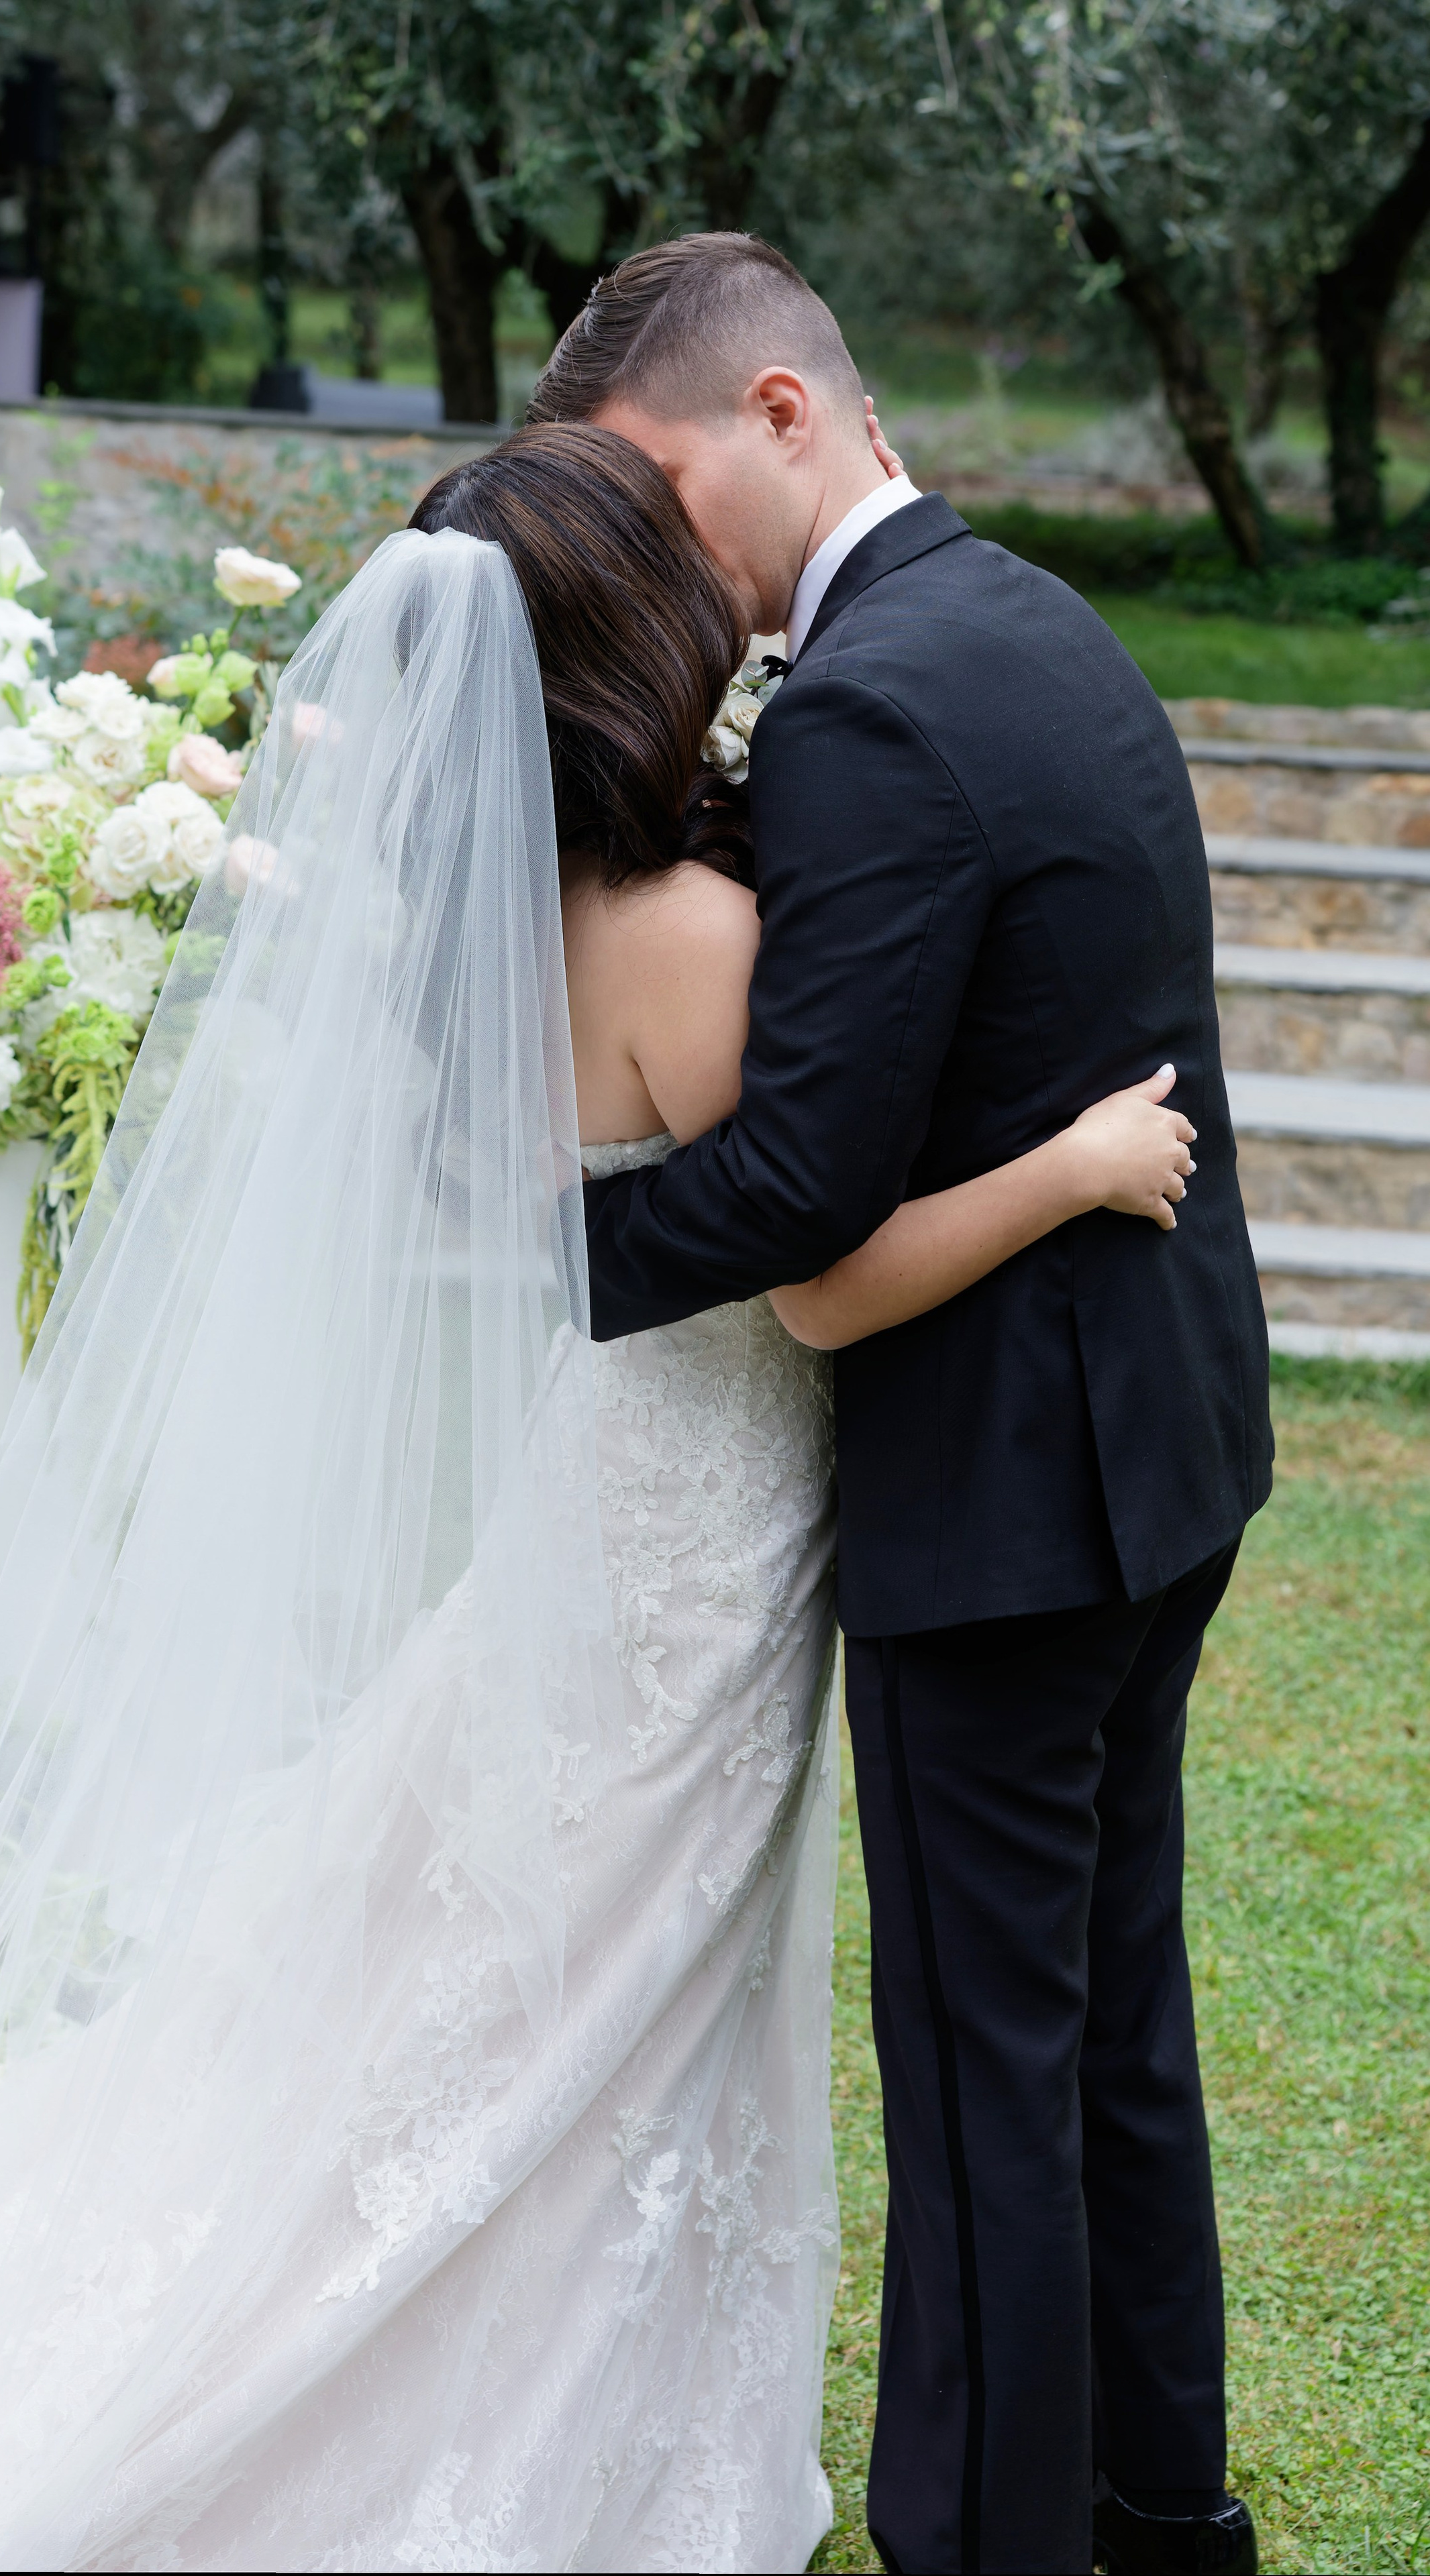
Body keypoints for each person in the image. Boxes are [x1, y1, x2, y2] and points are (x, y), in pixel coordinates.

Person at [0, 454, 1192, 2576]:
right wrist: (1066, 1167)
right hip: (699, 1553)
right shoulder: (693, 932)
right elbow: (816, 1274)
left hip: (598, 1500)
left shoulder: (484, 928)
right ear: (634, 650)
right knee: (604, 1999)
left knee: (507, 1979)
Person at [525, 233, 1274, 2576]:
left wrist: (499, 1268)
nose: (649, 549)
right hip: (1161, 1446)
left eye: (654, 486)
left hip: (1006, 1490)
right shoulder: (1036, 621)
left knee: (981, 2080)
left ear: (777, 412)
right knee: (1110, 2027)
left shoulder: (862, 703)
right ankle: (1168, 2509)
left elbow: (791, 1186)